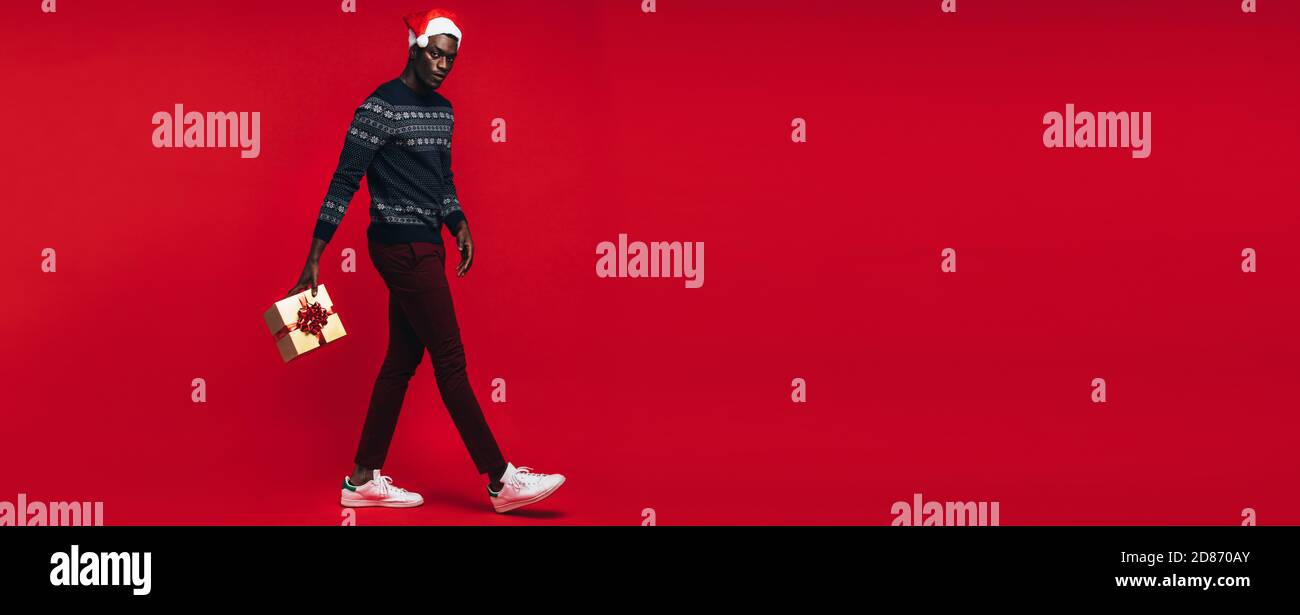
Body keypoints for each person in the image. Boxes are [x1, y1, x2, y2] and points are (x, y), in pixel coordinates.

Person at [287, 8, 565, 514]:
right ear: (414, 49)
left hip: (429, 244)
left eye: (450, 58)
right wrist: (315, 256)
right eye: (434, 53)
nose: (441, 65)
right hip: (399, 248)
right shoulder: (379, 107)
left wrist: (456, 220)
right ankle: (501, 480)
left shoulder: (444, 112)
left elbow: (442, 179)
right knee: (450, 360)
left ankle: (361, 479)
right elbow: (344, 180)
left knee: (401, 360)